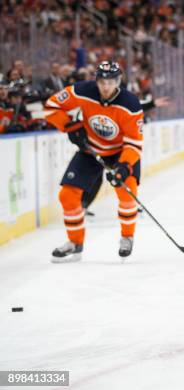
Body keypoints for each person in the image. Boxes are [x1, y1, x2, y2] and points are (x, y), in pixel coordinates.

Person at [44, 61, 144, 262]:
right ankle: (75, 242)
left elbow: (134, 144)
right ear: (96, 80)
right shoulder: (82, 91)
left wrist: (124, 167)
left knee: (127, 192)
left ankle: (127, 237)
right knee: (67, 195)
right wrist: (70, 126)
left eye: (111, 81)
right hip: (90, 150)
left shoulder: (130, 103)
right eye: (102, 81)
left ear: (118, 81)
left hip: (120, 153)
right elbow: (52, 105)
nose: (105, 86)